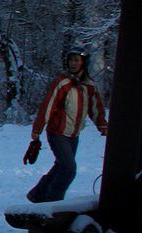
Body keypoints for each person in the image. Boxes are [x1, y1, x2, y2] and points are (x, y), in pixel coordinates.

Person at [25, 48, 108, 203]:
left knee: (61, 166)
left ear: (84, 62)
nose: (73, 63)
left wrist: (102, 125)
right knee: (69, 170)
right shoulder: (62, 82)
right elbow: (47, 105)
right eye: (71, 60)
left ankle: (37, 195)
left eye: (77, 60)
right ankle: (53, 203)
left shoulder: (90, 85)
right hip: (57, 133)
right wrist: (37, 129)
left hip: (74, 134)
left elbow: (95, 108)